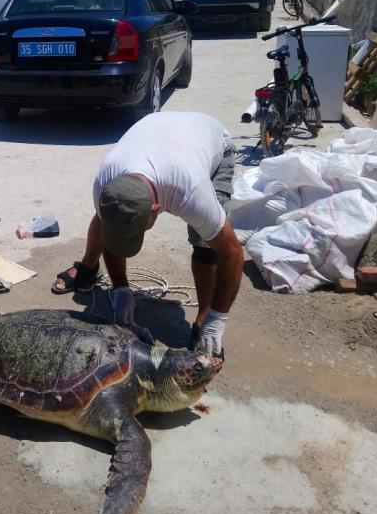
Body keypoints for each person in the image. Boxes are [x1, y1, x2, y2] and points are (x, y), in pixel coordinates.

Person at [51, 111, 243, 357]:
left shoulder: (191, 193)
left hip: (211, 142)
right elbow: (110, 224)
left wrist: (218, 318)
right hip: (158, 131)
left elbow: (233, 254)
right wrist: (121, 289)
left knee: (205, 244)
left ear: (156, 209)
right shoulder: (106, 184)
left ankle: (203, 321)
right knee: (110, 218)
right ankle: (88, 269)